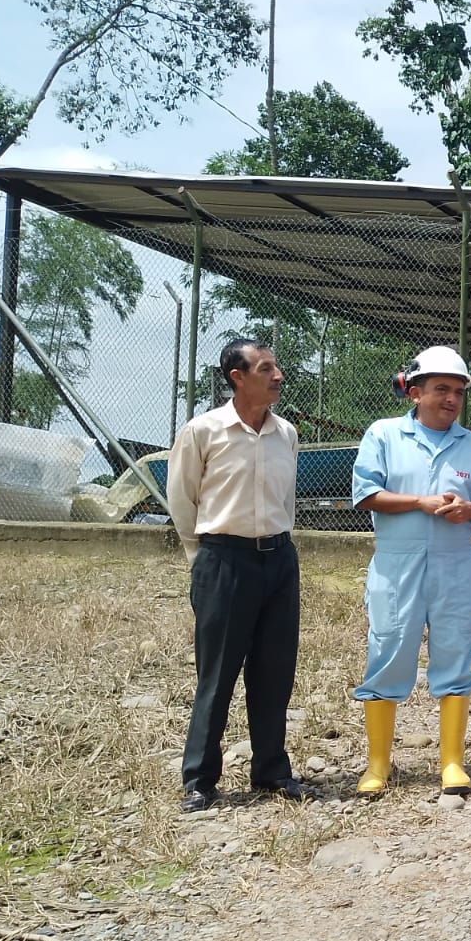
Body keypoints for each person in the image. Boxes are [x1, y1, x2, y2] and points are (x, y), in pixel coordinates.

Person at [351, 345, 471, 798]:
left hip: (453, 563)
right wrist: (419, 502)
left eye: (458, 391)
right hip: (395, 563)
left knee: (455, 652)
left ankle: (452, 762)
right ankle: (378, 765)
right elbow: (365, 494)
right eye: (442, 389)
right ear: (415, 393)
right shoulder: (384, 435)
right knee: (387, 650)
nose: (452, 399)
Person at [168, 339, 318, 813]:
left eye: (277, 367)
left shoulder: (285, 433)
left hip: (279, 560)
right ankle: (200, 780)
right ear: (237, 376)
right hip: (224, 560)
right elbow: (181, 497)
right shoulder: (203, 431)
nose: (278, 376)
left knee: (275, 670)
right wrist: (202, 558)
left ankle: (271, 770)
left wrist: (279, 545)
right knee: (217, 674)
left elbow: (286, 500)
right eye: (266, 368)